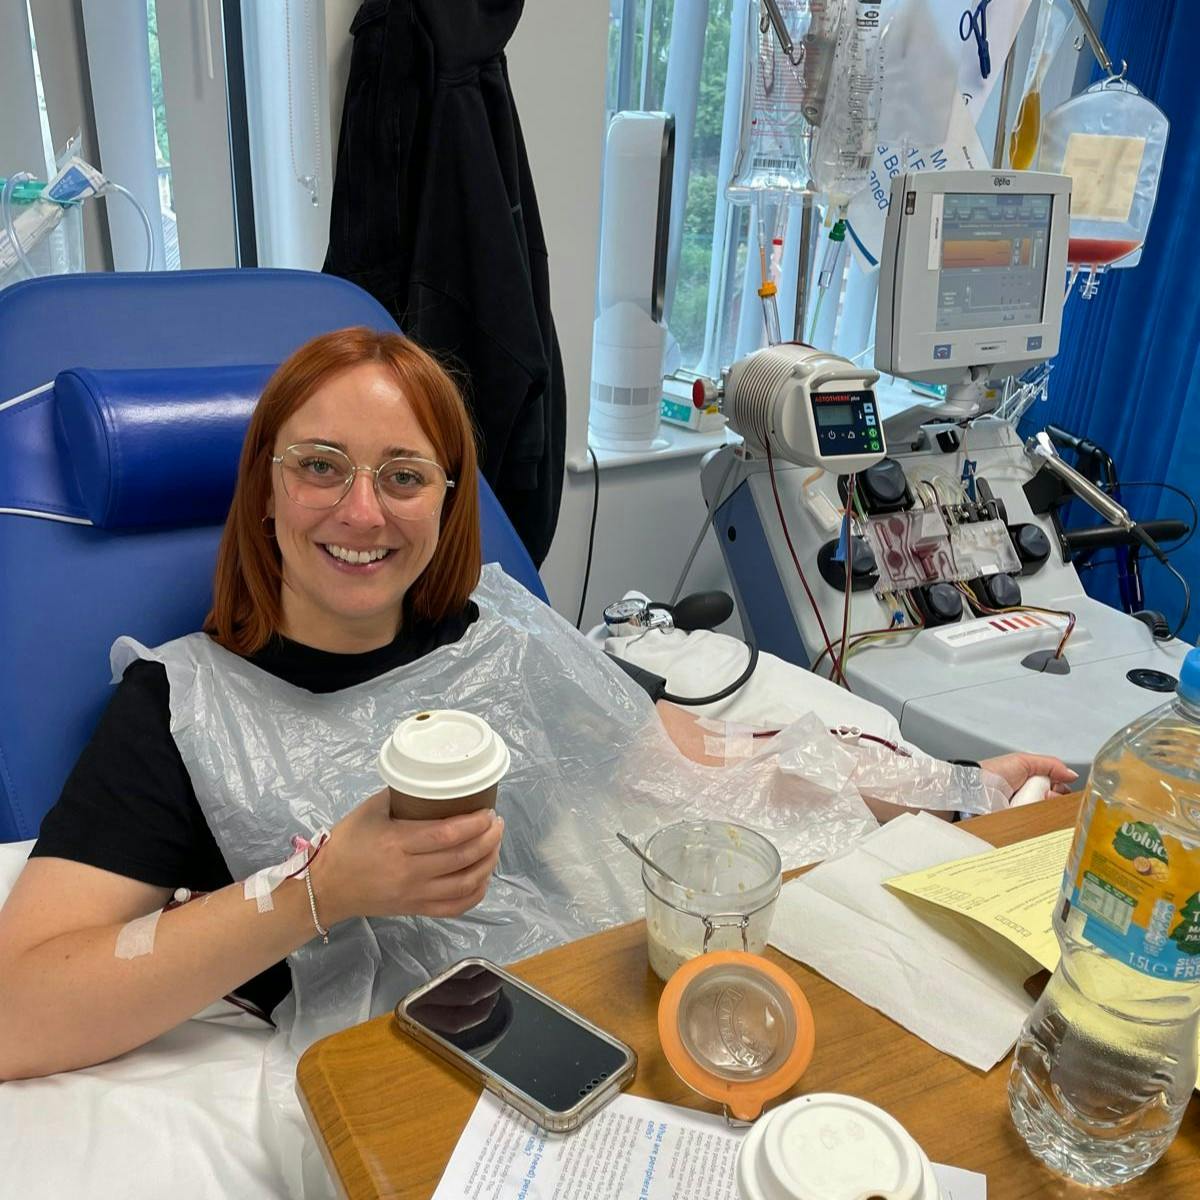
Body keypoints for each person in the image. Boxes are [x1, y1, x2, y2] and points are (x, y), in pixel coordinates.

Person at [0, 327, 1074, 1082]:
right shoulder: (184, 709)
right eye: (320, 467)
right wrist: (320, 892)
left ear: (449, 498)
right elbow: (18, 1012)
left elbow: (699, 756)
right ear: (264, 487)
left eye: (404, 477)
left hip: (620, 996)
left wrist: (959, 785)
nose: (361, 511)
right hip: (428, 1071)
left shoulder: (495, 630)